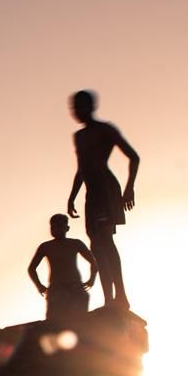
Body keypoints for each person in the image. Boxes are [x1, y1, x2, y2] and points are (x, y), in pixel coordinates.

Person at [66, 90, 139, 309]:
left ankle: (121, 296)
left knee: (106, 242)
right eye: (73, 108)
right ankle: (109, 299)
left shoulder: (105, 130)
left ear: (91, 106)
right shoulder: (79, 136)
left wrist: (129, 189)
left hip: (106, 190)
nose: (76, 112)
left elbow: (133, 157)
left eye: (80, 106)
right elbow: (82, 168)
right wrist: (72, 197)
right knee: (96, 246)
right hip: (92, 194)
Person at [28, 214, 97, 323]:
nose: (56, 229)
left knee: (80, 321)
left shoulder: (75, 243)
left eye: (59, 226)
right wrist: (39, 286)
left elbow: (94, 262)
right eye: (53, 227)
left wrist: (92, 279)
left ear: (67, 228)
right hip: (56, 289)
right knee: (55, 322)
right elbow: (31, 269)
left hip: (75, 287)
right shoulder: (45, 247)